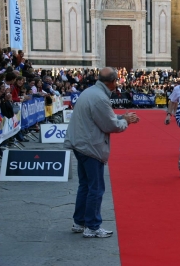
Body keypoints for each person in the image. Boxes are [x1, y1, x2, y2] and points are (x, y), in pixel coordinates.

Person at [64, 67, 140, 238]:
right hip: (90, 146)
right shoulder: (100, 97)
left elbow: (103, 117)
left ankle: (80, 221)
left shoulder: (91, 91)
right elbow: (109, 125)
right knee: (96, 187)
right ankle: (92, 226)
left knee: (85, 185)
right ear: (113, 82)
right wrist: (125, 122)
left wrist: (122, 117)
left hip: (80, 143)